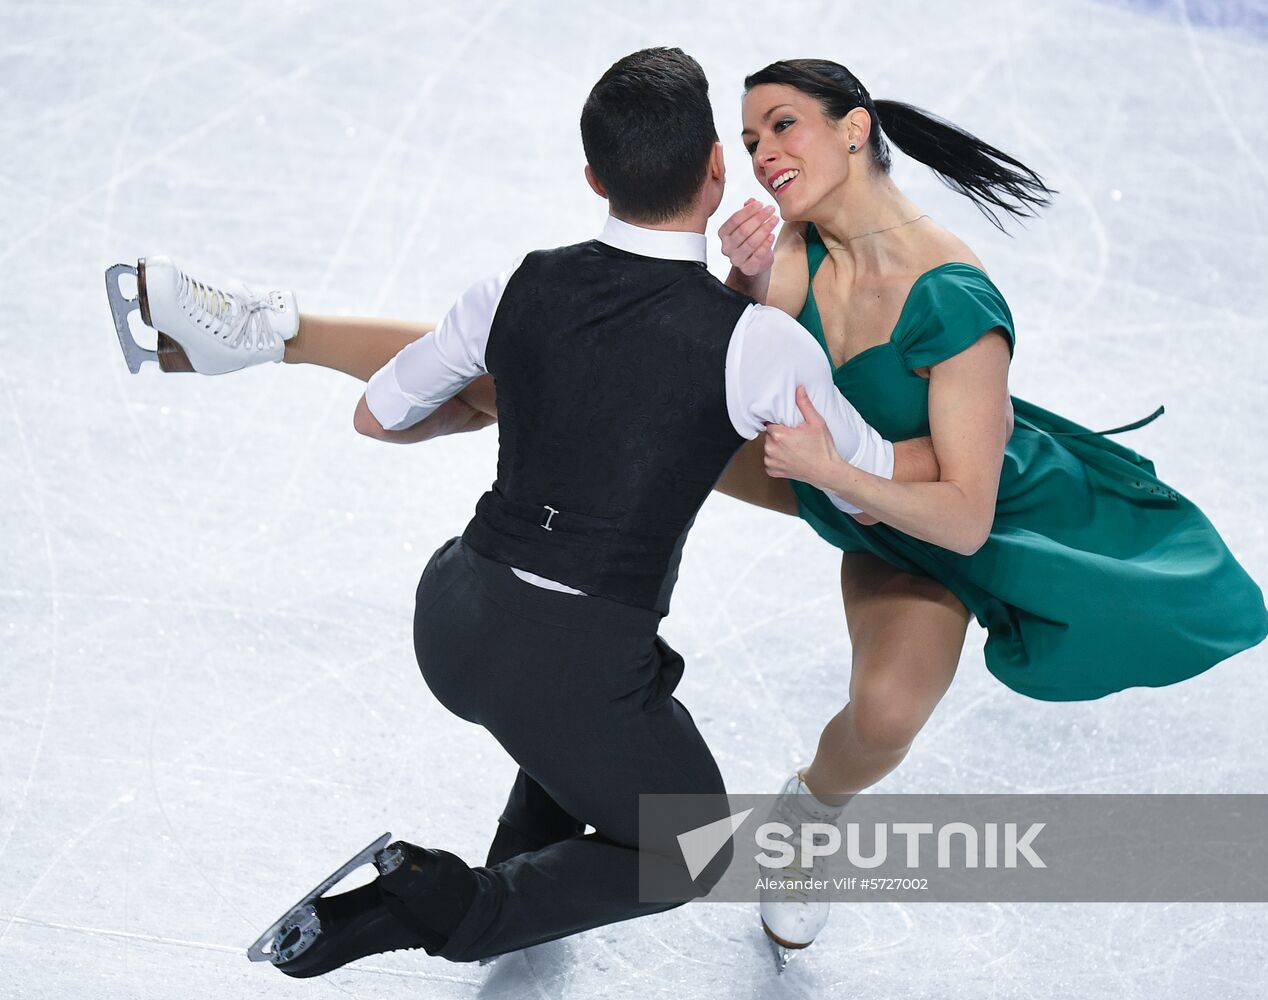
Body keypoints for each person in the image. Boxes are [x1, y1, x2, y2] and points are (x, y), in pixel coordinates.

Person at [108, 48, 941, 976]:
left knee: (605, 702)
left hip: (453, 617)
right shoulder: (762, 346)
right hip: (570, 659)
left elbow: (377, 414)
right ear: (717, 168)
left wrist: (509, 405)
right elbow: (871, 480)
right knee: (692, 844)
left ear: (593, 179)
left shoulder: (518, 283)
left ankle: (522, 862)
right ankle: (442, 902)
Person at [709, 58, 1268, 953]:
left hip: (965, 523)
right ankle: (448, 369)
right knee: (625, 415)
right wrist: (739, 286)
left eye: (782, 125)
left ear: (853, 127)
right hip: (844, 479)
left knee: (887, 715)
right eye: (749, 141)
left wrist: (836, 474)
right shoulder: (791, 242)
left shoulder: (952, 298)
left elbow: (965, 516)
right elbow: (755, 366)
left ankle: (807, 816)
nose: (762, 154)